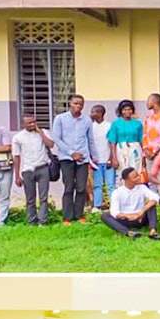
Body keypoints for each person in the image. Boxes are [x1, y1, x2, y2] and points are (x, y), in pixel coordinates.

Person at [52, 94, 94, 225]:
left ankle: (79, 215)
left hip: (83, 158)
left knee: (81, 188)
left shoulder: (87, 120)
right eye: (75, 103)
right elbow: (57, 139)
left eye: (80, 104)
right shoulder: (60, 119)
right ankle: (67, 217)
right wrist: (71, 153)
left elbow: (90, 140)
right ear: (70, 103)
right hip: (66, 158)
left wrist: (94, 157)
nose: (78, 106)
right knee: (69, 187)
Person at [12, 114, 55, 226]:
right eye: (29, 123)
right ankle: (32, 221)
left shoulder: (43, 132)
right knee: (30, 198)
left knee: (43, 197)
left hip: (43, 168)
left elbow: (51, 145)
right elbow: (16, 156)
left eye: (34, 122)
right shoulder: (18, 137)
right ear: (23, 124)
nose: (32, 125)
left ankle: (43, 221)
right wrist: (17, 175)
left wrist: (40, 132)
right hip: (28, 169)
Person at [101, 169, 160, 239]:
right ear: (127, 180)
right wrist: (129, 216)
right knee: (105, 216)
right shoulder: (117, 192)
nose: (138, 177)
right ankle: (128, 233)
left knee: (151, 205)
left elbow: (155, 197)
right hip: (126, 220)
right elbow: (115, 212)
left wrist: (140, 213)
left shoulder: (142, 187)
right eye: (135, 177)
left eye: (138, 175)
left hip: (141, 218)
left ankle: (153, 232)